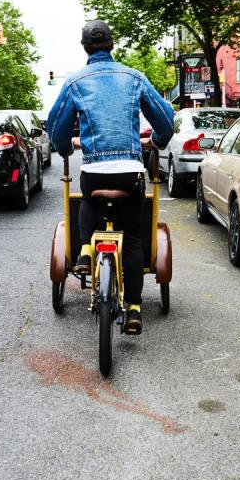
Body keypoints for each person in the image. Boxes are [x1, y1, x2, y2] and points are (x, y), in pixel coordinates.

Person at [47, 20, 174, 335]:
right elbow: (165, 120)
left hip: (94, 171)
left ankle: (87, 250)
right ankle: (133, 307)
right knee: (132, 237)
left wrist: (64, 147)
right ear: (112, 45)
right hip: (130, 173)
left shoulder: (75, 81)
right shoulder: (134, 77)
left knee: (88, 196)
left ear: (85, 47)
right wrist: (156, 142)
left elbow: (55, 126)